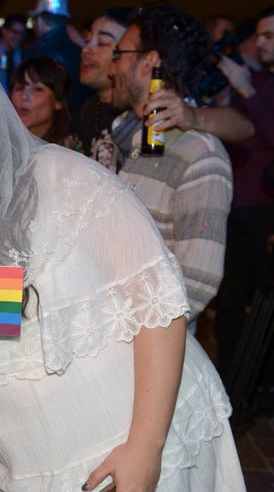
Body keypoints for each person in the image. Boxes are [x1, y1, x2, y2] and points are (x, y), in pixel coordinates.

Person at [0, 36, 245, 491]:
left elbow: (160, 304)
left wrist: (145, 449)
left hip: (128, 452)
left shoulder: (61, 180)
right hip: (26, 471)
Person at [110, 4, 233, 334]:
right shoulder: (122, 135)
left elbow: (197, 281)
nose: (112, 67)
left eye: (118, 54)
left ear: (148, 61)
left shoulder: (199, 155)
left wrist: (113, 330)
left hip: (143, 350)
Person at [76, 7, 254, 172]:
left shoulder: (165, 114)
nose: (86, 50)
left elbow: (244, 127)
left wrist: (193, 116)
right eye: (86, 40)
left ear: (147, 59)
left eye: (104, 43)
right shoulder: (91, 111)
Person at [215, 7, 274, 379]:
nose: (260, 42)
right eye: (260, 35)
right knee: (230, 303)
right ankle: (233, 382)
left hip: (266, 209)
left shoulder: (256, 85)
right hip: (236, 205)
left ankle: (261, 389)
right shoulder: (257, 80)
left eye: (269, 36)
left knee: (264, 304)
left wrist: (246, 89)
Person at [25, 0, 94, 115]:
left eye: (35, 20)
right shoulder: (76, 46)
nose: (34, 25)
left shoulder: (41, 48)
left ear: (41, 20)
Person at [9, 56, 83, 151]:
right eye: (19, 88)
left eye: (37, 89)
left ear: (58, 100)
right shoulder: (0, 142)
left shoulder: (68, 149)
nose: (25, 97)